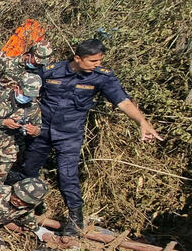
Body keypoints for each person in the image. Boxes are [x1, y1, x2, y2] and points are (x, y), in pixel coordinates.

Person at [15, 39, 161, 234]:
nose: (97, 64)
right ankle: (26, 208)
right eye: (93, 60)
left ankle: (75, 220)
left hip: (69, 135)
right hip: (41, 131)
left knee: (67, 176)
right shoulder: (51, 71)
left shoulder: (101, 77)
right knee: (28, 169)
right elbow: (29, 93)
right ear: (78, 58)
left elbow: (123, 101)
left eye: (99, 60)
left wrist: (142, 122)